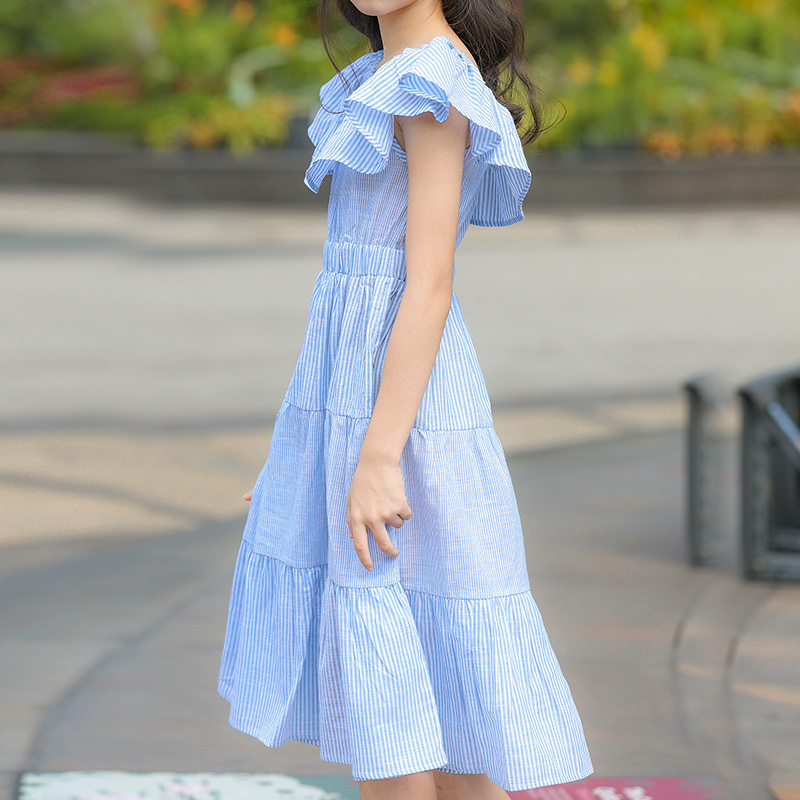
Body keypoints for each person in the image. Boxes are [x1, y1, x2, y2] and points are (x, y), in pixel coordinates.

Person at [217, 2, 594, 798]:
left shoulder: (429, 83)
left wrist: (378, 456)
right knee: (429, 681)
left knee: (412, 687)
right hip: (373, 397)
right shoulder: (390, 73)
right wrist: (310, 452)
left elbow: (425, 285)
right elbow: (349, 303)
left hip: (407, 413)